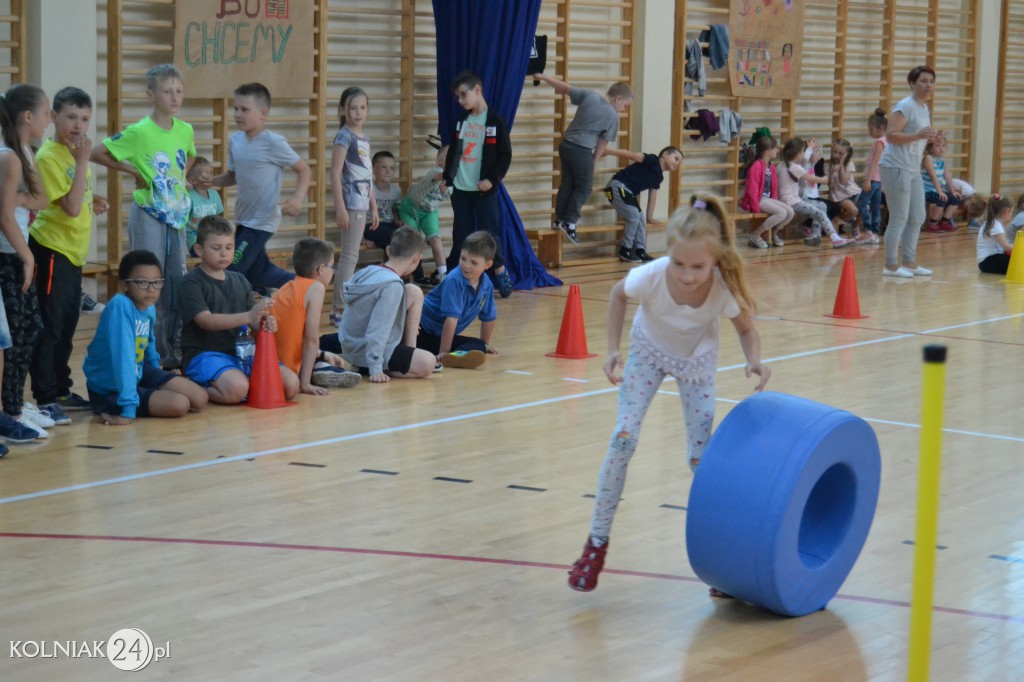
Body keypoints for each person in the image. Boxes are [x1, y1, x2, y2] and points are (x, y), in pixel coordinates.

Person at [567, 195, 770, 593]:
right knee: (623, 439)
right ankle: (595, 544)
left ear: (715, 260)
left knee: (700, 459)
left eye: (698, 267)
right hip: (648, 351)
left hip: (696, 363)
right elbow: (616, 295)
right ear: (668, 253)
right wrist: (612, 348)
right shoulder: (654, 275)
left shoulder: (723, 290)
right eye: (679, 264)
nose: (687, 275)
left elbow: (747, 329)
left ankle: (724, 558)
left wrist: (755, 360)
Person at [92, 63, 196, 368]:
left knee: (175, 282)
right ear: (151, 94)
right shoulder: (139, 131)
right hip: (149, 213)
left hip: (175, 216)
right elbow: (99, 152)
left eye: (178, 91)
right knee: (147, 279)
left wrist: (180, 178)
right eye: (167, 91)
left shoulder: (185, 129)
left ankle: (170, 352)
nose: (174, 97)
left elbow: (189, 154)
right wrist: (133, 170)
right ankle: (142, 349)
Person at [29, 86, 111, 428]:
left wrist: (94, 198)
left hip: (73, 254)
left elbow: (76, 198)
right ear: (53, 118)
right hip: (50, 251)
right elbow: (70, 204)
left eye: (85, 119)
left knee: (66, 326)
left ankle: (62, 389)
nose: (79, 125)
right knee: (48, 327)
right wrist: (81, 165)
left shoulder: (75, 154)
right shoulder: (50, 156)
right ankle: (45, 397)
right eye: (71, 117)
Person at [177, 216, 299, 405]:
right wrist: (249, 316)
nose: (224, 254)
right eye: (216, 248)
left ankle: (240, 383)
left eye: (229, 247)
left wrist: (265, 324)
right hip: (204, 355)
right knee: (236, 390)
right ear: (199, 250)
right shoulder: (191, 282)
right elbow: (206, 321)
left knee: (290, 385)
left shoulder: (239, 280)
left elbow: (254, 319)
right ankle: (192, 387)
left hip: (242, 353)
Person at [83, 250, 208, 424]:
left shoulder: (148, 307)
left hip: (138, 372)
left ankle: (142, 393)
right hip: (110, 388)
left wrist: (157, 374)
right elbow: (123, 358)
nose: (151, 289)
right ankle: (129, 400)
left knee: (200, 398)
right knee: (179, 405)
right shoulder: (120, 306)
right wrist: (127, 410)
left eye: (156, 282)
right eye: (142, 282)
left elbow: (149, 345)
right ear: (124, 285)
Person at [211, 83, 311, 292]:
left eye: (244, 109)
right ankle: (304, 286)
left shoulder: (273, 142)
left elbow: (304, 170)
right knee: (259, 273)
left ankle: (232, 320)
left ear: (263, 113)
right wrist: (211, 181)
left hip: (263, 220)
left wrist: (297, 199)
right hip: (243, 219)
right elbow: (232, 177)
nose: (238, 114)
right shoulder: (235, 141)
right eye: (236, 108)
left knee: (232, 268)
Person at [0, 84, 52, 445]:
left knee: (27, 330)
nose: (49, 120)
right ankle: (11, 409)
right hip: (9, 253)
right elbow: (5, 215)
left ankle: (14, 405)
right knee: (18, 335)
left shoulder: (23, 154)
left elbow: (41, 198)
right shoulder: (9, 156)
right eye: (47, 113)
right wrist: (27, 255)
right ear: (28, 116)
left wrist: (17, 194)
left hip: (14, 251)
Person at [533, 74, 632, 244]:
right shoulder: (612, 116)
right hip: (582, 150)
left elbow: (564, 88)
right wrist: (593, 162)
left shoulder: (590, 95)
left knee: (568, 183)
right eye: (625, 105)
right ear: (618, 98)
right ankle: (570, 222)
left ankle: (559, 220)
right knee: (585, 188)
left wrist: (543, 77)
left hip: (566, 145)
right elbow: (602, 143)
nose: (623, 109)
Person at [442, 70, 514, 298]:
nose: (461, 101)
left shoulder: (494, 120)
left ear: (478, 90)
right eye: (458, 97)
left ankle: (500, 272)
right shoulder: (461, 121)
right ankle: (460, 280)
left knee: (489, 234)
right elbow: (454, 151)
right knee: (461, 234)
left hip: (483, 191)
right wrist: (447, 178)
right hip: (461, 190)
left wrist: (491, 180)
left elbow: (505, 155)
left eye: (464, 95)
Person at [338, 226, 436, 383]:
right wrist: (375, 367)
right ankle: (368, 367)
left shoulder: (370, 270)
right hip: (367, 352)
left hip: (352, 346)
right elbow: (378, 329)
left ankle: (410, 351)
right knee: (428, 363)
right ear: (417, 259)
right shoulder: (392, 286)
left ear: (389, 251)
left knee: (414, 292)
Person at [271, 237, 360, 394]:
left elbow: (291, 337)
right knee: (315, 363)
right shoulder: (316, 288)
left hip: (271, 358)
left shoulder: (288, 286)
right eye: (331, 267)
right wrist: (305, 385)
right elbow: (311, 339)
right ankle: (318, 371)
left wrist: (323, 353)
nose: (332, 272)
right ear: (321, 269)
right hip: (285, 366)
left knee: (322, 357)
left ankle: (322, 365)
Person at [878, 65, 939, 278]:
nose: (928, 85)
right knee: (899, 218)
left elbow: (919, 137)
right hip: (895, 166)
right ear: (912, 84)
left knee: (918, 216)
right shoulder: (905, 106)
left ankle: (910, 262)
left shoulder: (924, 109)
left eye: (931, 81)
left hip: (913, 168)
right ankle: (891, 266)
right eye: (923, 81)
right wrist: (918, 135)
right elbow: (891, 135)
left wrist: (929, 139)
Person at [330, 86, 378, 317]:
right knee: (349, 256)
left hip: (362, 203)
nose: (358, 112)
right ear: (342, 111)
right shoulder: (344, 136)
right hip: (350, 203)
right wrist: (341, 207)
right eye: (353, 108)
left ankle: (340, 307)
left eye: (363, 107)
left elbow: (366, 174)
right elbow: (335, 173)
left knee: (352, 256)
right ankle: (339, 309)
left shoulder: (364, 138)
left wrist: (374, 206)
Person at [602, 145, 683, 262]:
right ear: (665, 155)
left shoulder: (658, 178)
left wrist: (649, 218)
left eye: (679, 163)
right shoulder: (652, 160)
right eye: (676, 158)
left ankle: (640, 250)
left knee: (640, 219)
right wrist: (608, 151)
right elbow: (631, 155)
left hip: (627, 192)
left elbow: (652, 199)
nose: (677, 164)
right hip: (615, 187)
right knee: (634, 216)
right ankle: (625, 249)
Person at [776, 138, 854, 248]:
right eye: (803, 152)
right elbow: (812, 178)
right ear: (798, 154)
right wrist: (825, 178)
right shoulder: (795, 167)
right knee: (821, 213)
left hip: (792, 200)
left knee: (822, 206)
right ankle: (835, 238)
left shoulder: (783, 165)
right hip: (792, 202)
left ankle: (815, 235)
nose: (819, 155)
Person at [397, 145, 452, 285]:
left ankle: (443, 276)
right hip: (411, 208)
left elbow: (446, 191)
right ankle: (409, 273)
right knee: (412, 240)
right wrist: (451, 174)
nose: (452, 161)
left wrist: (445, 187)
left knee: (435, 240)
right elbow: (441, 176)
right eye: (448, 157)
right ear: (439, 160)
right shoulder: (435, 171)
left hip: (429, 211)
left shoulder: (452, 181)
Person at [739, 136, 794, 249]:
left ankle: (774, 233)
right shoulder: (756, 167)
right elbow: (752, 189)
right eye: (775, 148)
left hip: (768, 200)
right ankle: (755, 234)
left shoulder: (771, 167)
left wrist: (774, 201)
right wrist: (755, 207)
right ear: (767, 152)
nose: (777, 150)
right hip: (758, 200)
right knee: (781, 213)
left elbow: (773, 188)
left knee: (790, 212)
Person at [856, 109, 887, 242]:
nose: (869, 133)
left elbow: (875, 161)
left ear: (881, 128)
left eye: (871, 129)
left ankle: (868, 229)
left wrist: (868, 180)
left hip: (873, 179)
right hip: (879, 180)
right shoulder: (887, 140)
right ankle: (874, 233)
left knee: (861, 204)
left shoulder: (879, 142)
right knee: (875, 207)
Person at [363, 150, 403, 251]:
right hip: (372, 226)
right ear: (373, 170)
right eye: (384, 167)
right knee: (393, 236)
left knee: (407, 236)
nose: (388, 171)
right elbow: (358, 215)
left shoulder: (396, 190)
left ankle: (410, 266)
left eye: (392, 168)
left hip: (390, 225)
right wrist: (362, 238)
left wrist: (397, 220)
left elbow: (394, 209)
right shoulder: (368, 188)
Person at [824, 139, 863, 239]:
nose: (836, 155)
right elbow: (831, 187)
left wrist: (841, 166)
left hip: (852, 192)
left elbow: (844, 181)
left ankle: (855, 227)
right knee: (853, 210)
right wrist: (832, 173)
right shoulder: (827, 165)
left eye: (840, 153)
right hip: (839, 196)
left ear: (846, 154)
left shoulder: (849, 164)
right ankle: (850, 222)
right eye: (834, 152)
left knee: (865, 207)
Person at [921, 134, 961, 232]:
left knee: (956, 198)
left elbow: (947, 175)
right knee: (941, 198)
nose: (941, 149)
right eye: (937, 146)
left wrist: (953, 190)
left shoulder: (942, 160)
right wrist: (940, 191)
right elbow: (933, 176)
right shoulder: (928, 158)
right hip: (925, 190)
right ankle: (933, 223)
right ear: (930, 148)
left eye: (943, 146)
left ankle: (944, 221)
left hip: (935, 190)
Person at [185, 156, 223, 255]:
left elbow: (219, 219)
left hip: (212, 239)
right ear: (193, 180)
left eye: (211, 172)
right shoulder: (189, 198)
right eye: (206, 174)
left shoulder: (214, 195)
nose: (211, 177)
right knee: (212, 252)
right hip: (195, 242)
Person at [977, 194, 1015, 275]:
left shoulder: (994, 223)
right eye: (1012, 211)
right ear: (1006, 211)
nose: (1012, 215)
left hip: (989, 261)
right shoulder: (995, 225)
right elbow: (1006, 247)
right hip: (988, 262)